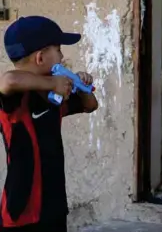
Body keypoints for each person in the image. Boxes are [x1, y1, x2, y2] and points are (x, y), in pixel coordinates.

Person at [0, 16, 98, 232]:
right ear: (41, 57)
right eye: (59, 49)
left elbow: (91, 105)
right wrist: (53, 82)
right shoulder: (15, 100)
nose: (62, 56)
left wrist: (81, 85)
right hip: (22, 210)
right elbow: (8, 81)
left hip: (54, 206)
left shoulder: (52, 97)